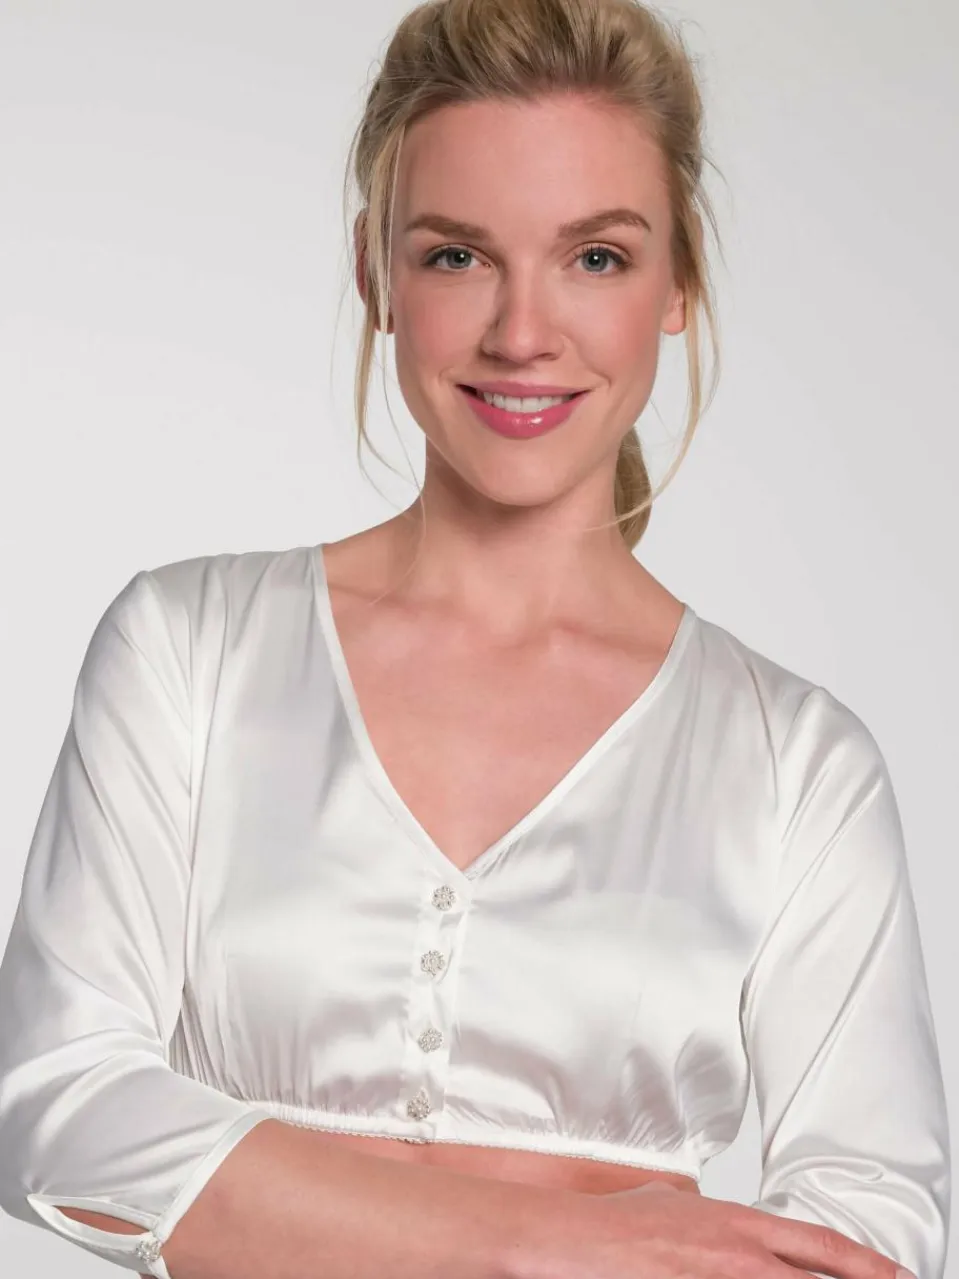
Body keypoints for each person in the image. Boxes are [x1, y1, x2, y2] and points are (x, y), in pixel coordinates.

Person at [0, 0, 950, 1277]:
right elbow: (55, 1109)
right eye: (456, 255)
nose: (520, 333)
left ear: (677, 283)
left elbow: (869, 1232)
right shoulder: (190, 650)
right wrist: (550, 1243)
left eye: (595, 257)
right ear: (374, 275)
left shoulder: (796, 764)